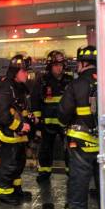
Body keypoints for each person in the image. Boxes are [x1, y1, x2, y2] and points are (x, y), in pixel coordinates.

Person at [58, 46, 105, 209]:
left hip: (81, 141)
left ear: (82, 63)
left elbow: (64, 113)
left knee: (80, 177)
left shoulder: (76, 84)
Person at [0, 55, 33, 205]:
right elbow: (2, 115)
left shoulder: (20, 87)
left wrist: (29, 120)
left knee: (18, 164)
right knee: (9, 165)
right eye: (23, 71)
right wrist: (20, 126)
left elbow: (21, 109)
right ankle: (4, 193)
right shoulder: (6, 88)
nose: (26, 74)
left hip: (19, 136)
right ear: (15, 72)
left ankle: (16, 190)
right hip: (9, 135)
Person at [31, 51, 72, 183]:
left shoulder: (69, 80)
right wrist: (38, 122)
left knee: (69, 149)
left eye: (60, 64)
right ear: (50, 66)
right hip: (47, 123)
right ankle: (44, 172)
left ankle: (71, 173)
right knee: (46, 149)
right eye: (55, 65)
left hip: (65, 123)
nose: (58, 67)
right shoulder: (42, 81)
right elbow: (35, 100)